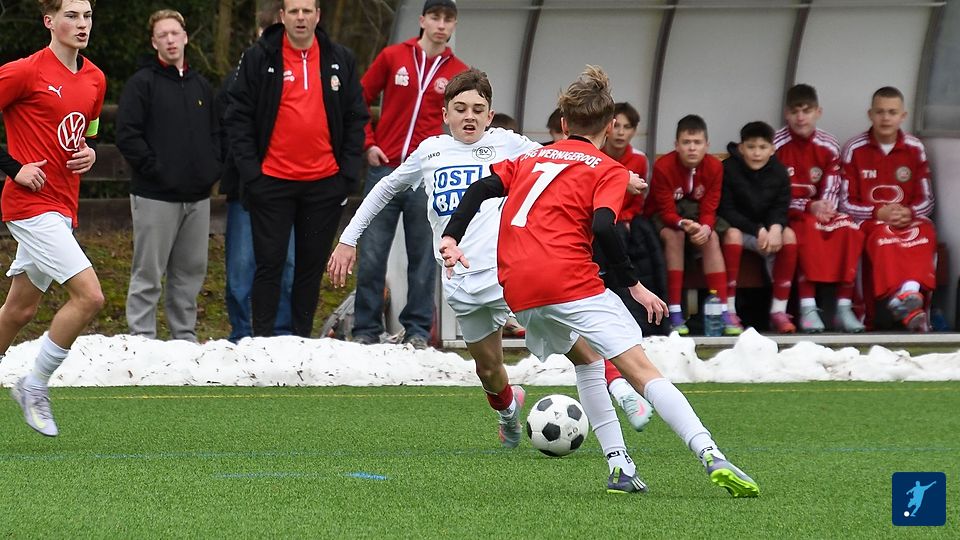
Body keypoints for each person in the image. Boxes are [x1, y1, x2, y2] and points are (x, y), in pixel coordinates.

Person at [440, 66, 759, 496]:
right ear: (610, 128)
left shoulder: (532, 158)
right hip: (569, 281)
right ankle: (711, 454)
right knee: (642, 372)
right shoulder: (608, 169)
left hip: (518, 287)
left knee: (588, 362)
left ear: (563, 123)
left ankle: (620, 467)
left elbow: (480, 189)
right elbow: (605, 227)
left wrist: (451, 237)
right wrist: (634, 285)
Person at [328, 68, 653, 443]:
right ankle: (509, 411)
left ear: (490, 114)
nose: (469, 116)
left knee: (571, 340)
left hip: (508, 272)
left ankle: (624, 392)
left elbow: (568, 160)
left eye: (478, 110)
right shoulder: (430, 151)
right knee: (489, 370)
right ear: (445, 114)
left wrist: (619, 176)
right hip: (462, 282)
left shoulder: (509, 144)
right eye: (460, 108)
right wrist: (348, 239)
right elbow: (385, 188)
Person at [224, 0, 368, 337]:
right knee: (269, 265)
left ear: (318, 15)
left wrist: (346, 175)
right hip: (271, 182)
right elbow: (237, 115)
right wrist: (252, 174)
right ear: (282, 16)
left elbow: (356, 116)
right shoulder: (260, 58)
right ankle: (262, 341)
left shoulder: (339, 58)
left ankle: (302, 340)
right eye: (293, 11)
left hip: (325, 184)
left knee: (309, 269)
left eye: (306, 11)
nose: (300, 18)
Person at [0, 0, 106, 436]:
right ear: (49, 22)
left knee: (19, 310)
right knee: (90, 297)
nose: (82, 25)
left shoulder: (95, 77)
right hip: (29, 205)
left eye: (87, 16)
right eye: (72, 16)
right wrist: (14, 168)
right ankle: (35, 384)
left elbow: (88, 134)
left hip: (63, 208)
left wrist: (91, 153)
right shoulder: (25, 71)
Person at [353, 0, 468, 348]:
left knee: (424, 256)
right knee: (372, 254)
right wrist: (368, 143)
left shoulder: (458, 71)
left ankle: (418, 330)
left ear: (454, 25)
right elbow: (359, 99)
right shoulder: (393, 57)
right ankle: (365, 330)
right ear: (422, 20)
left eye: (448, 19)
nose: (441, 25)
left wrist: (449, 161)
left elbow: (466, 120)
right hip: (386, 169)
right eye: (435, 17)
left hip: (426, 177)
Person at [115, 9, 221, 342]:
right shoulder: (141, 84)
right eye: (163, 35)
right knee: (148, 273)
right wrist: (156, 170)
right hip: (155, 197)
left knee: (190, 274)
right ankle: (141, 339)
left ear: (186, 37)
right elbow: (127, 135)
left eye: (175, 33)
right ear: (154, 42)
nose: (170, 40)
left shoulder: (201, 86)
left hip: (197, 198)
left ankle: (184, 339)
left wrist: (211, 169)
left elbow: (217, 133)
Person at [217, 1, 296, 342]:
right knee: (240, 267)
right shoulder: (237, 78)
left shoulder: (301, 78)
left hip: (288, 189)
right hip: (245, 189)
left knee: (287, 264)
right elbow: (226, 130)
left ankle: (281, 332)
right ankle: (242, 333)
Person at [840, 86, 936, 332]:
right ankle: (902, 300)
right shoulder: (854, 148)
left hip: (908, 219)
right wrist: (877, 213)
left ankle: (907, 294)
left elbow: (927, 200)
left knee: (925, 230)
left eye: (892, 112)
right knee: (884, 235)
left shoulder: (915, 148)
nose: (885, 118)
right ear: (870, 114)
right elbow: (844, 202)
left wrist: (909, 213)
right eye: (880, 112)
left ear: (903, 116)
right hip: (870, 222)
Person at [775, 84, 865, 333]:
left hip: (822, 212)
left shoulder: (829, 144)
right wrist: (808, 206)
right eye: (795, 111)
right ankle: (808, 308)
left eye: (807, 111)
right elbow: (774, 193)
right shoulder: (776, 144)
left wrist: (825, 207)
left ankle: (843, 308)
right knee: (807, 228)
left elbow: (833, 185)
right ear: (786, 113)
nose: (800, 117)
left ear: (818, 112)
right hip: (790, 213)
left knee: (849, 228)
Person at [650, 115, 743, 336]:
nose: (692, 148)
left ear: (707, 145)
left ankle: (723, 310)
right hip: (667, 219)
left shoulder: (714, 166)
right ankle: (674, 312)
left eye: (697, 142)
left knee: (711, 237)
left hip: (698, 216)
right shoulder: (663, 167)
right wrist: (681, 223)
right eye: (686, 142)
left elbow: (710, 207)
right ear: (676, 145)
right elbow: (665, 210)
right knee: (675, 236)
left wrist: (705, 228)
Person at [718, 121, 797, 333]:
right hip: (741, 230)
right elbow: (726, 210)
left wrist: (776, 228)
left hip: (766, 233)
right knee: (733, 234)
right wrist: (758, 230)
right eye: (751, 147)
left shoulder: (779, 172)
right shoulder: (728, 169)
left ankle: (779, 311)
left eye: (762, 147)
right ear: (741, 148)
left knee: (789, 235)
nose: (756, 153)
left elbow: (781, 206)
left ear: (772, 149)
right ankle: (729, 310)